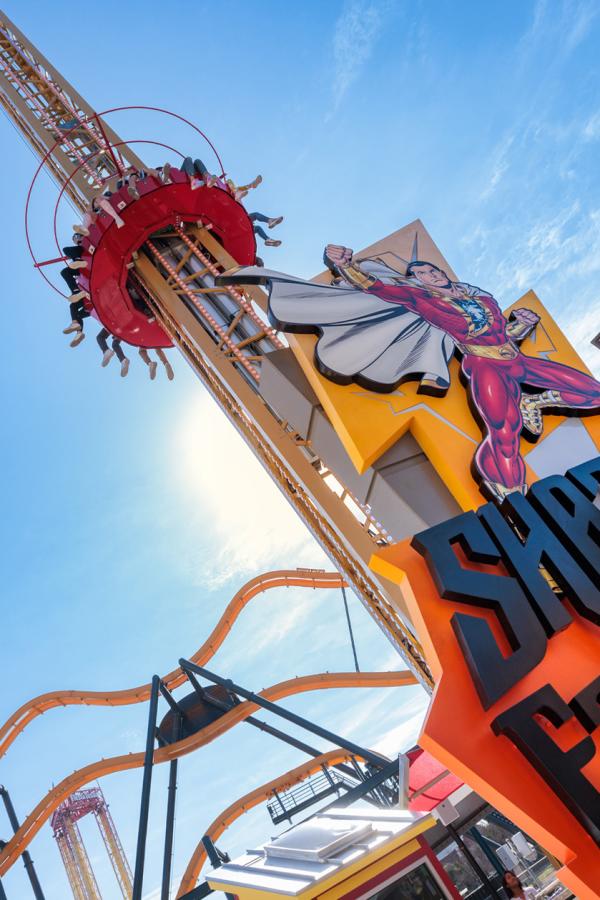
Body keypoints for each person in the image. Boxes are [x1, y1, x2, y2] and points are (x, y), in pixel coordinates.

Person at [219, 244, 600, 503]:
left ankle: (536, 401)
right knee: (503, 436)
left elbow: (501, 332)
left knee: (592, 393)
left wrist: (521, 325)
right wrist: (344, 264)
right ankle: (515, 505)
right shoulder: (418, 299)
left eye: (431, 269)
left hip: (516, 361)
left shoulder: (480, 295)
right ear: (415, 282)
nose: (429, 274)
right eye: (420, 273)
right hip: (484, 368)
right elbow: (377, 286)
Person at [60, 234, 90, 346]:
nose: (75, 239)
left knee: (65, 250)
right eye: (74, 239)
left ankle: (77, 292)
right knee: (73, 307)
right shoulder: (77, 248)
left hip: (88, 258)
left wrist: (83, 239)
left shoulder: (87, 240)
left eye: (77, 237)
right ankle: (78, 330)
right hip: (83, 268)